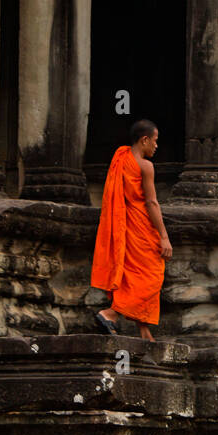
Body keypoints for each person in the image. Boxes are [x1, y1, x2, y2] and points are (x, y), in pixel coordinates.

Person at [90, 119, 171, 342]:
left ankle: (145, 332)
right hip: (142, 227)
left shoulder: (121, 158)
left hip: (126, 227)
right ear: (144, 140)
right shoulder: (145, 166)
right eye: (154, 141)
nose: (156, 146)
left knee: (134, 278)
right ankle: (110, 314)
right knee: (152, 277)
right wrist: (164, 236)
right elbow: (152, 203)